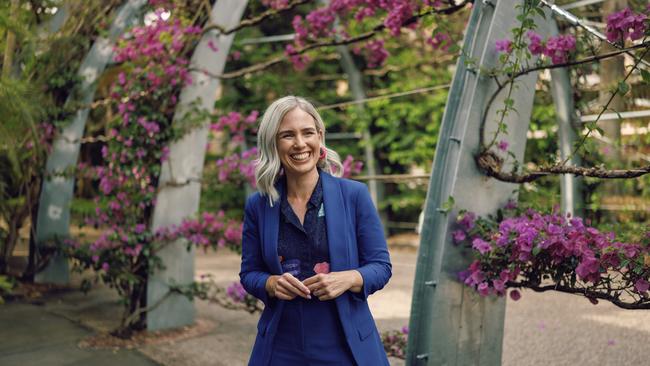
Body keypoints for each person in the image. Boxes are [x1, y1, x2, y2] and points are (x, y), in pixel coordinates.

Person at [239, 96, 392, 366]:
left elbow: (381, 266)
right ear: (273, 143)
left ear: (320, 137)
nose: (300, 143)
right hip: (280, 347)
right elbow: (249, 273)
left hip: (345, 346)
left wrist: (348, 278)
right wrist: (271, 283)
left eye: (307, 132)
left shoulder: (354, 195)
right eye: (287, 135)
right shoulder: (259, 205)